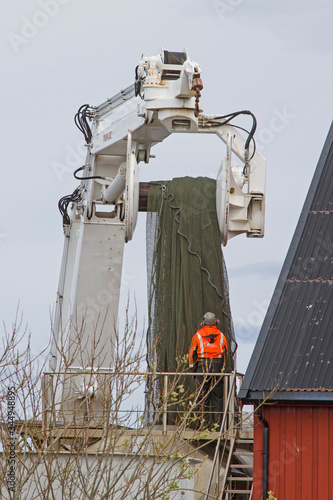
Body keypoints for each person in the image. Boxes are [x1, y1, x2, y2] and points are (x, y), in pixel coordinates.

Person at [189, 312, 228, 428]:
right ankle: (218, 425)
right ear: (216, 322)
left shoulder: (198, 335)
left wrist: (193, 370)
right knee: (218, 396)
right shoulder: (221, 336)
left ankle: (203, 424)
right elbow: (225, 354)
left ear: (203, 322)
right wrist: (222, 367)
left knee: (201, 396)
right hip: (217, 366)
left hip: (203, 366)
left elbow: (191, 354)